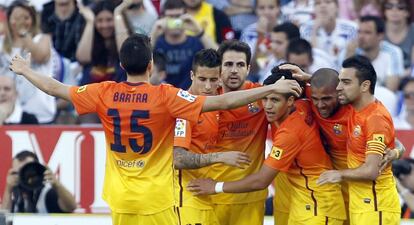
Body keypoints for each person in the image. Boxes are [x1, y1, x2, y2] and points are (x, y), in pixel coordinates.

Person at [8, 33, 301, 225]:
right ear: (151, 65)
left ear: (122, 64)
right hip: (158, 198)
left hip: (120, 198)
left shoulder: (103, 92)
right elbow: (221, 101)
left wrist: (25, 70)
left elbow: (56, 88)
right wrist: (268, 90)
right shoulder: (166, 96)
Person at [188, 68, 347, 225]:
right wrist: (307, 77)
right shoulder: (304, 106)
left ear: (291, 101)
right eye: (265, 99)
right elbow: (323, 86)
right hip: (307, 203)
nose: (268, 106)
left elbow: (261, 181)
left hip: (319, 205)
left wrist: (215, 186)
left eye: (275, 100)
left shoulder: (290, 133)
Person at [316, 55, 401, 225]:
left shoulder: (375, 118)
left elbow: (371, 171)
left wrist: (338, 174)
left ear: (365, 86)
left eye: (346, 82)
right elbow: (396, 143)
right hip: (363, 205)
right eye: (339, 81)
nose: (338, 87)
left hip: (376, 207)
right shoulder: (357, 108)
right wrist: (396, 152)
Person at [173, 48, 251, 225]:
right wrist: (221, 157)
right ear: (192, 75)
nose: (208, 87)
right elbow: (178, 159)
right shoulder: (183, 108)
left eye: (213, 80)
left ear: (221, 77)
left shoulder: (215, 102)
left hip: (205, 198)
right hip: (184, 199)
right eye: (202, 79)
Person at [0, 0, 56, 124]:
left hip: (40, 116)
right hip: (7, 116)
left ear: (33, 19)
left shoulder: (42, 38)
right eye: (16, 18)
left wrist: (23, 32)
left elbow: (40, 56)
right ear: (8, 20)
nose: (21, 22)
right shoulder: (0, 42)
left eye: (25, 17)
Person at [150, 0, 217, 89]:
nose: (174, 20)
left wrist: (200, 32)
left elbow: (220, 57)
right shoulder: (156, 43)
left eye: (178, 16)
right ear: (162, 18)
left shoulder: (196, 43)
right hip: (162, 95)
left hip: (190, 95)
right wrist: (153, 35)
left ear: (186, 17)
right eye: (170, 17)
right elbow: (138, 63)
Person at [1, 151, 76, 213]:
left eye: (27, 169)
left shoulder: (47, 194)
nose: (26, 175)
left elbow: (71, 207)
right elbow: (3, 219)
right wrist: (8, 189)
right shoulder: (15, 196)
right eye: (20, 171)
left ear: (38, 169)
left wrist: (57, 185)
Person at [383, 0, 414, 73]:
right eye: (389, 6)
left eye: (400, 7)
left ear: (408, 12)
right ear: (384, 11)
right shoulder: (376, 29)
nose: (394, 10)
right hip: (381, 75)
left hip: (408, 78)